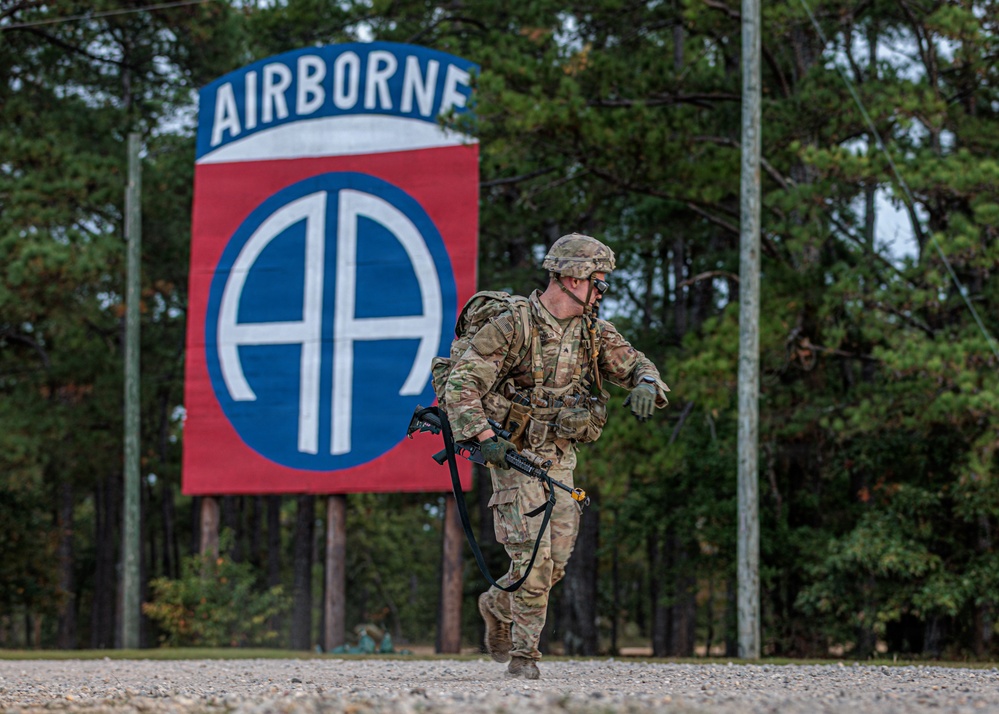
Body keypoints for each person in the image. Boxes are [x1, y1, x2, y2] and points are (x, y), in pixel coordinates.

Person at [442, 233, 670, 679]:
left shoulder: (592, 331)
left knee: (556, 564)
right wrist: (486, 436)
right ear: (572, 277)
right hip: (513, 455)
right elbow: (462, 384)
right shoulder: (514, 325)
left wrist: (647, 384)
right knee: (533, 559)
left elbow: (636, 362)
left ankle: (496, 603)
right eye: (598, 282)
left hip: (560, 459)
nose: (602, 291)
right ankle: (525, 659)